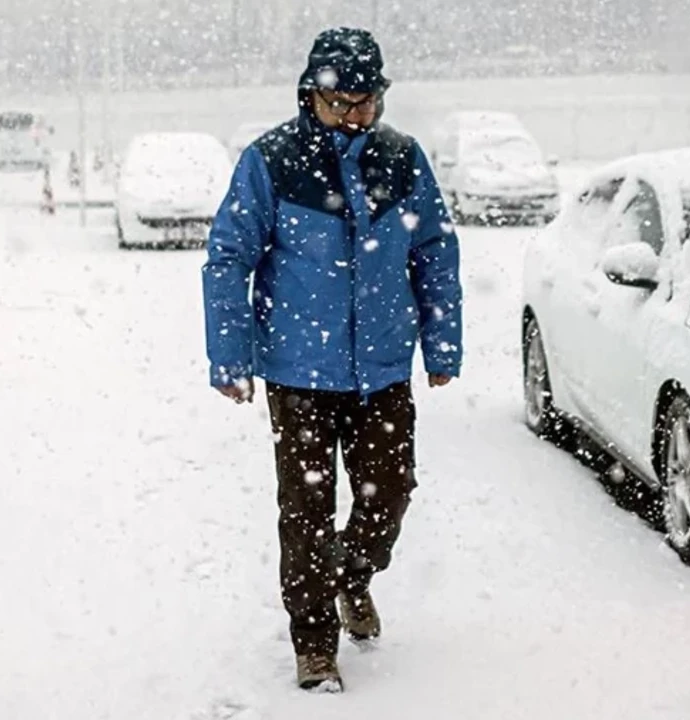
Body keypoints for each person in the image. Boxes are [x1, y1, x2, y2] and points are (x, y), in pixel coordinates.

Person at [201, 27, 462, 693]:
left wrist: (441, 344)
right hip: (298, 374)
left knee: (390, 497)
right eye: (342, 102)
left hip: (380, 372)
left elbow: (433, 250)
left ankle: (353, 576)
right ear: (310, 97)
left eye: (367, 101)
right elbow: (230, 258)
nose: (356, 115)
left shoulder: (402, 159)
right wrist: (231, 356)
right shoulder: (272, 161)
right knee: (306, 511)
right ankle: (314, 640)